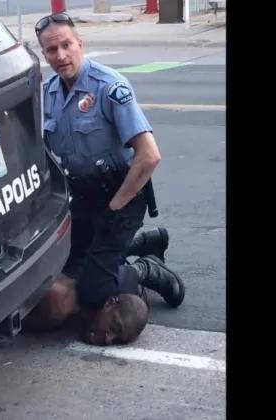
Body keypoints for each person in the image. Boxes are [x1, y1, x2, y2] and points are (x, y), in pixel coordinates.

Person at [28, 13, 185, 345]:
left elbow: (149, 155)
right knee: (65, 265)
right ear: (44, 54)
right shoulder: (49, 94)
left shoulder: (109, 87)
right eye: (51, 50)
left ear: (80, 44)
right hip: (82, 197)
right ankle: (134, 245)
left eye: (66, 45)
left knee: (92, 291)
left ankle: (145, 268)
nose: (61, 55)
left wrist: (115, 207)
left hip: (121, 197)